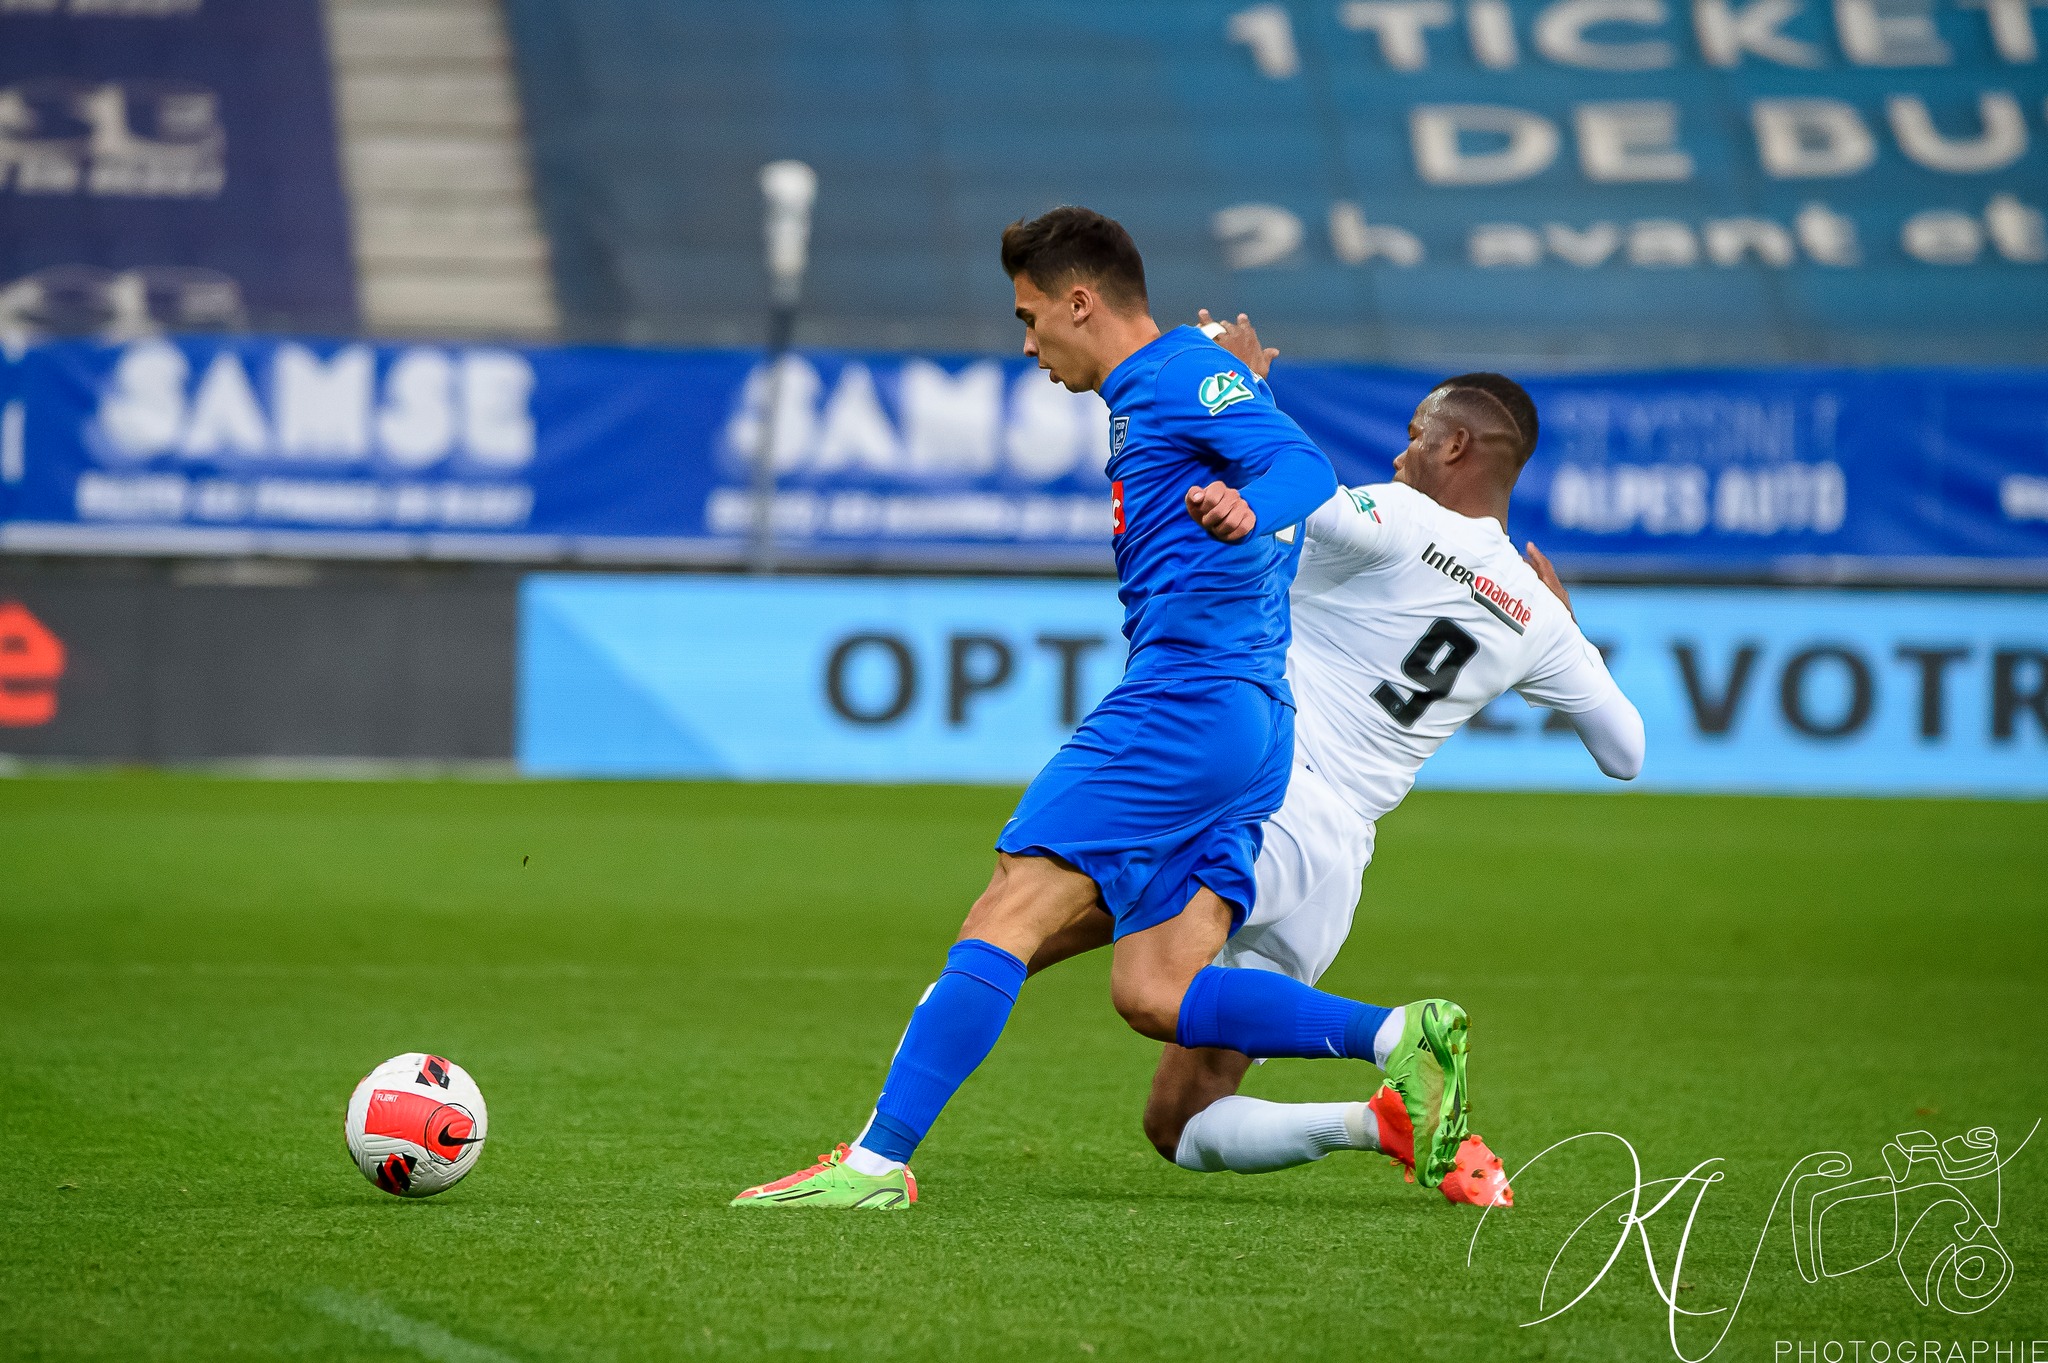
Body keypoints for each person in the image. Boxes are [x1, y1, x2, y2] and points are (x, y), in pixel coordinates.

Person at [732, 206, 1476, 1210]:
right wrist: (1246, 412)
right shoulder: (1158, 392)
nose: (1026, 341)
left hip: (1182, 703)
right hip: (1248, 720)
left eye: (1030, 316)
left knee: (1011, 901)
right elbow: (1245, 439)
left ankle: (872, 1165)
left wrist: (1254, 490)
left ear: (1080, 301)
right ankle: (1397, 1036)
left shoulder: (1171, 377)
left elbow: (1296, 463)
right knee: (1153, 990)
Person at [1029, 328, 1643, 1207]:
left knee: (1037, 924)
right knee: (1180, 1122)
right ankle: (1381, 1121)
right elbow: (1627, 753)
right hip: (1334, 860)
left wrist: (1236, 387)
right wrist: (1570, 632)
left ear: (1455, 445)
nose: (1400, 453)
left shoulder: (1399, 517)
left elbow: (1294, 493)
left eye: (1415, 436)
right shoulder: (1537, 617)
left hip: (1257, 798)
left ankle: (893, 1117)